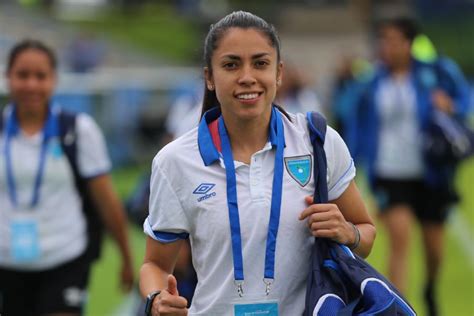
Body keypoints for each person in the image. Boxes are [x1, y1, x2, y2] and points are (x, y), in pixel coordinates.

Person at [139, 11, 376, 316]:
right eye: (231, 64)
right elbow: (155, 264)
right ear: (210, 77)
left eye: (260, 63)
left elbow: (366, 233)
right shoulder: (175, 162)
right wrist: (157, 298)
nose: (247, 76)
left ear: (279, 73)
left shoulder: (318, 141)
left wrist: (347, 232)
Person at [0, 39, 134, 315]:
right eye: (22, 75)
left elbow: (107, 201)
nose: (31, 85)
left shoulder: (79, 130)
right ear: (8, 77)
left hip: (66, 257)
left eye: (40, 76)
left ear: (54, 80)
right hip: (7, 261)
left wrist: (126, 258)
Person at [351, 18, 470, 316]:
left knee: (434, 251)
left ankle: (430, 288)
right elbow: (356, 121)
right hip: (390, 172)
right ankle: (397, 309)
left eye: (393, 40)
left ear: (409, 43)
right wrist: (352, 163)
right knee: (399, 242)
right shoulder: (372, 81)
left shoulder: (436, 71)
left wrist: (451, 106)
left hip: (431, 173)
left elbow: (465, 98)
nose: (387, 47)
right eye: (384, 40)